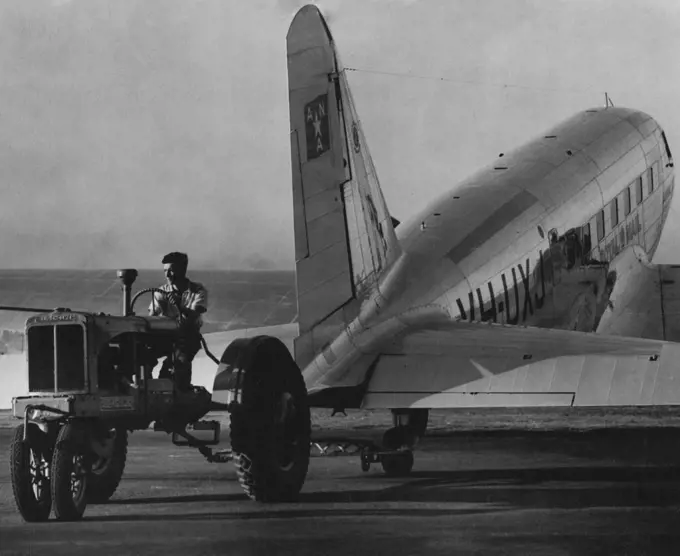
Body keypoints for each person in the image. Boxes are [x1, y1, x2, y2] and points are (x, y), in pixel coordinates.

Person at [148, 251, 208, 391]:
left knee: (176, 366)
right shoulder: (160, 292)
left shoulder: (198, 291)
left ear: (182, 270)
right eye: (165, 271)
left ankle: (181, 393)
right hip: (165, 336)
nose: (167, 275)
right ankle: (145, 390)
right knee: (142, 356)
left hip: (188, 337)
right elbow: (153, 316)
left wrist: (179, 306)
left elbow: (193, 314)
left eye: (171, 270)